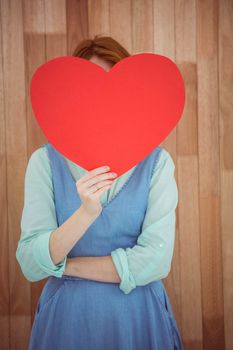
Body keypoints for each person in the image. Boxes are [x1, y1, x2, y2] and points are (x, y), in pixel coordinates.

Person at [16, 34, 184, 350]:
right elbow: (30, 262)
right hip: (66, 323)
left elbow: (156, 261)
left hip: (139, 320)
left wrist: (67, 266)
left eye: (114, 93)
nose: (103, 105)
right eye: (90, 93)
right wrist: (85, 214)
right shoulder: (44, 162)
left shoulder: (158, 163)